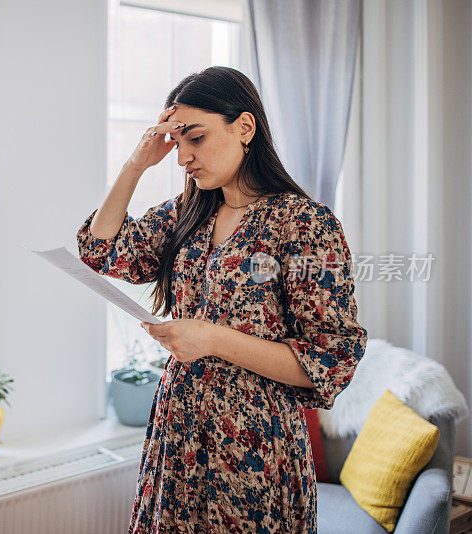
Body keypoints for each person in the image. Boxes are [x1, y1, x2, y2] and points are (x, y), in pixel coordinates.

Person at [76, 66, 368, 533]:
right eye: (177, 143)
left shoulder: (304, 223)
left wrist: (212, 338)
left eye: (195, 138)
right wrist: (135, 164)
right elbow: (100, 249)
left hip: (254, 443)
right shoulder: (186, 213)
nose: (183, 157)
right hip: (179, 432)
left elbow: (330, 359)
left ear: (244, 127)